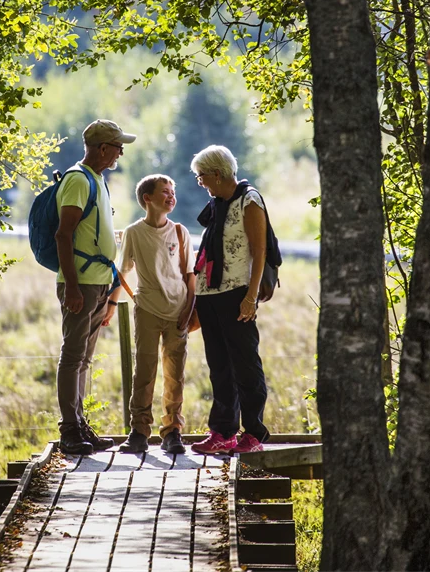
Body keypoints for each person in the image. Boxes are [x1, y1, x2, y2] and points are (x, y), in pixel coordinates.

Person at [53, 119, 135, 455]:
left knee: (84, 359)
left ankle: (79, 424)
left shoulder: (98, 180)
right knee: (73, 357)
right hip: (82, 283)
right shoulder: (77, 180)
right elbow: (63, 234)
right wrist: (72, 286)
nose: (120, 153)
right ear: (103, 148)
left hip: (99, 282)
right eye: (118, 146)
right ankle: (69, 430)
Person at [188, 145, 270, 455]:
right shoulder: (217, 203)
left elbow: (259, 251)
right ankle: (223, 432)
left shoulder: (249, 200)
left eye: (201, 176)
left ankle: (254, 433)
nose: (201, 182)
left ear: (218, 174)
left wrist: (251, 296)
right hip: (209, 293)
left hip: (236, 293)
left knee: (245, 366)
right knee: (219, 366)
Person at [110, 174, 197, 455]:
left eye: (173, 191)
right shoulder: (134, 232)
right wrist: (112, 304)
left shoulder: (181, 232)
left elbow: (190, 275)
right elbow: (122, 271)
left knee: (175, 374)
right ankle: (139, 432)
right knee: (144, 372)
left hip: (178, 310)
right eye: (164, 192)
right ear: (147, 199)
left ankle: (172, 431)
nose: (171, 196)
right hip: (147, 309)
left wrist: (189, 309)